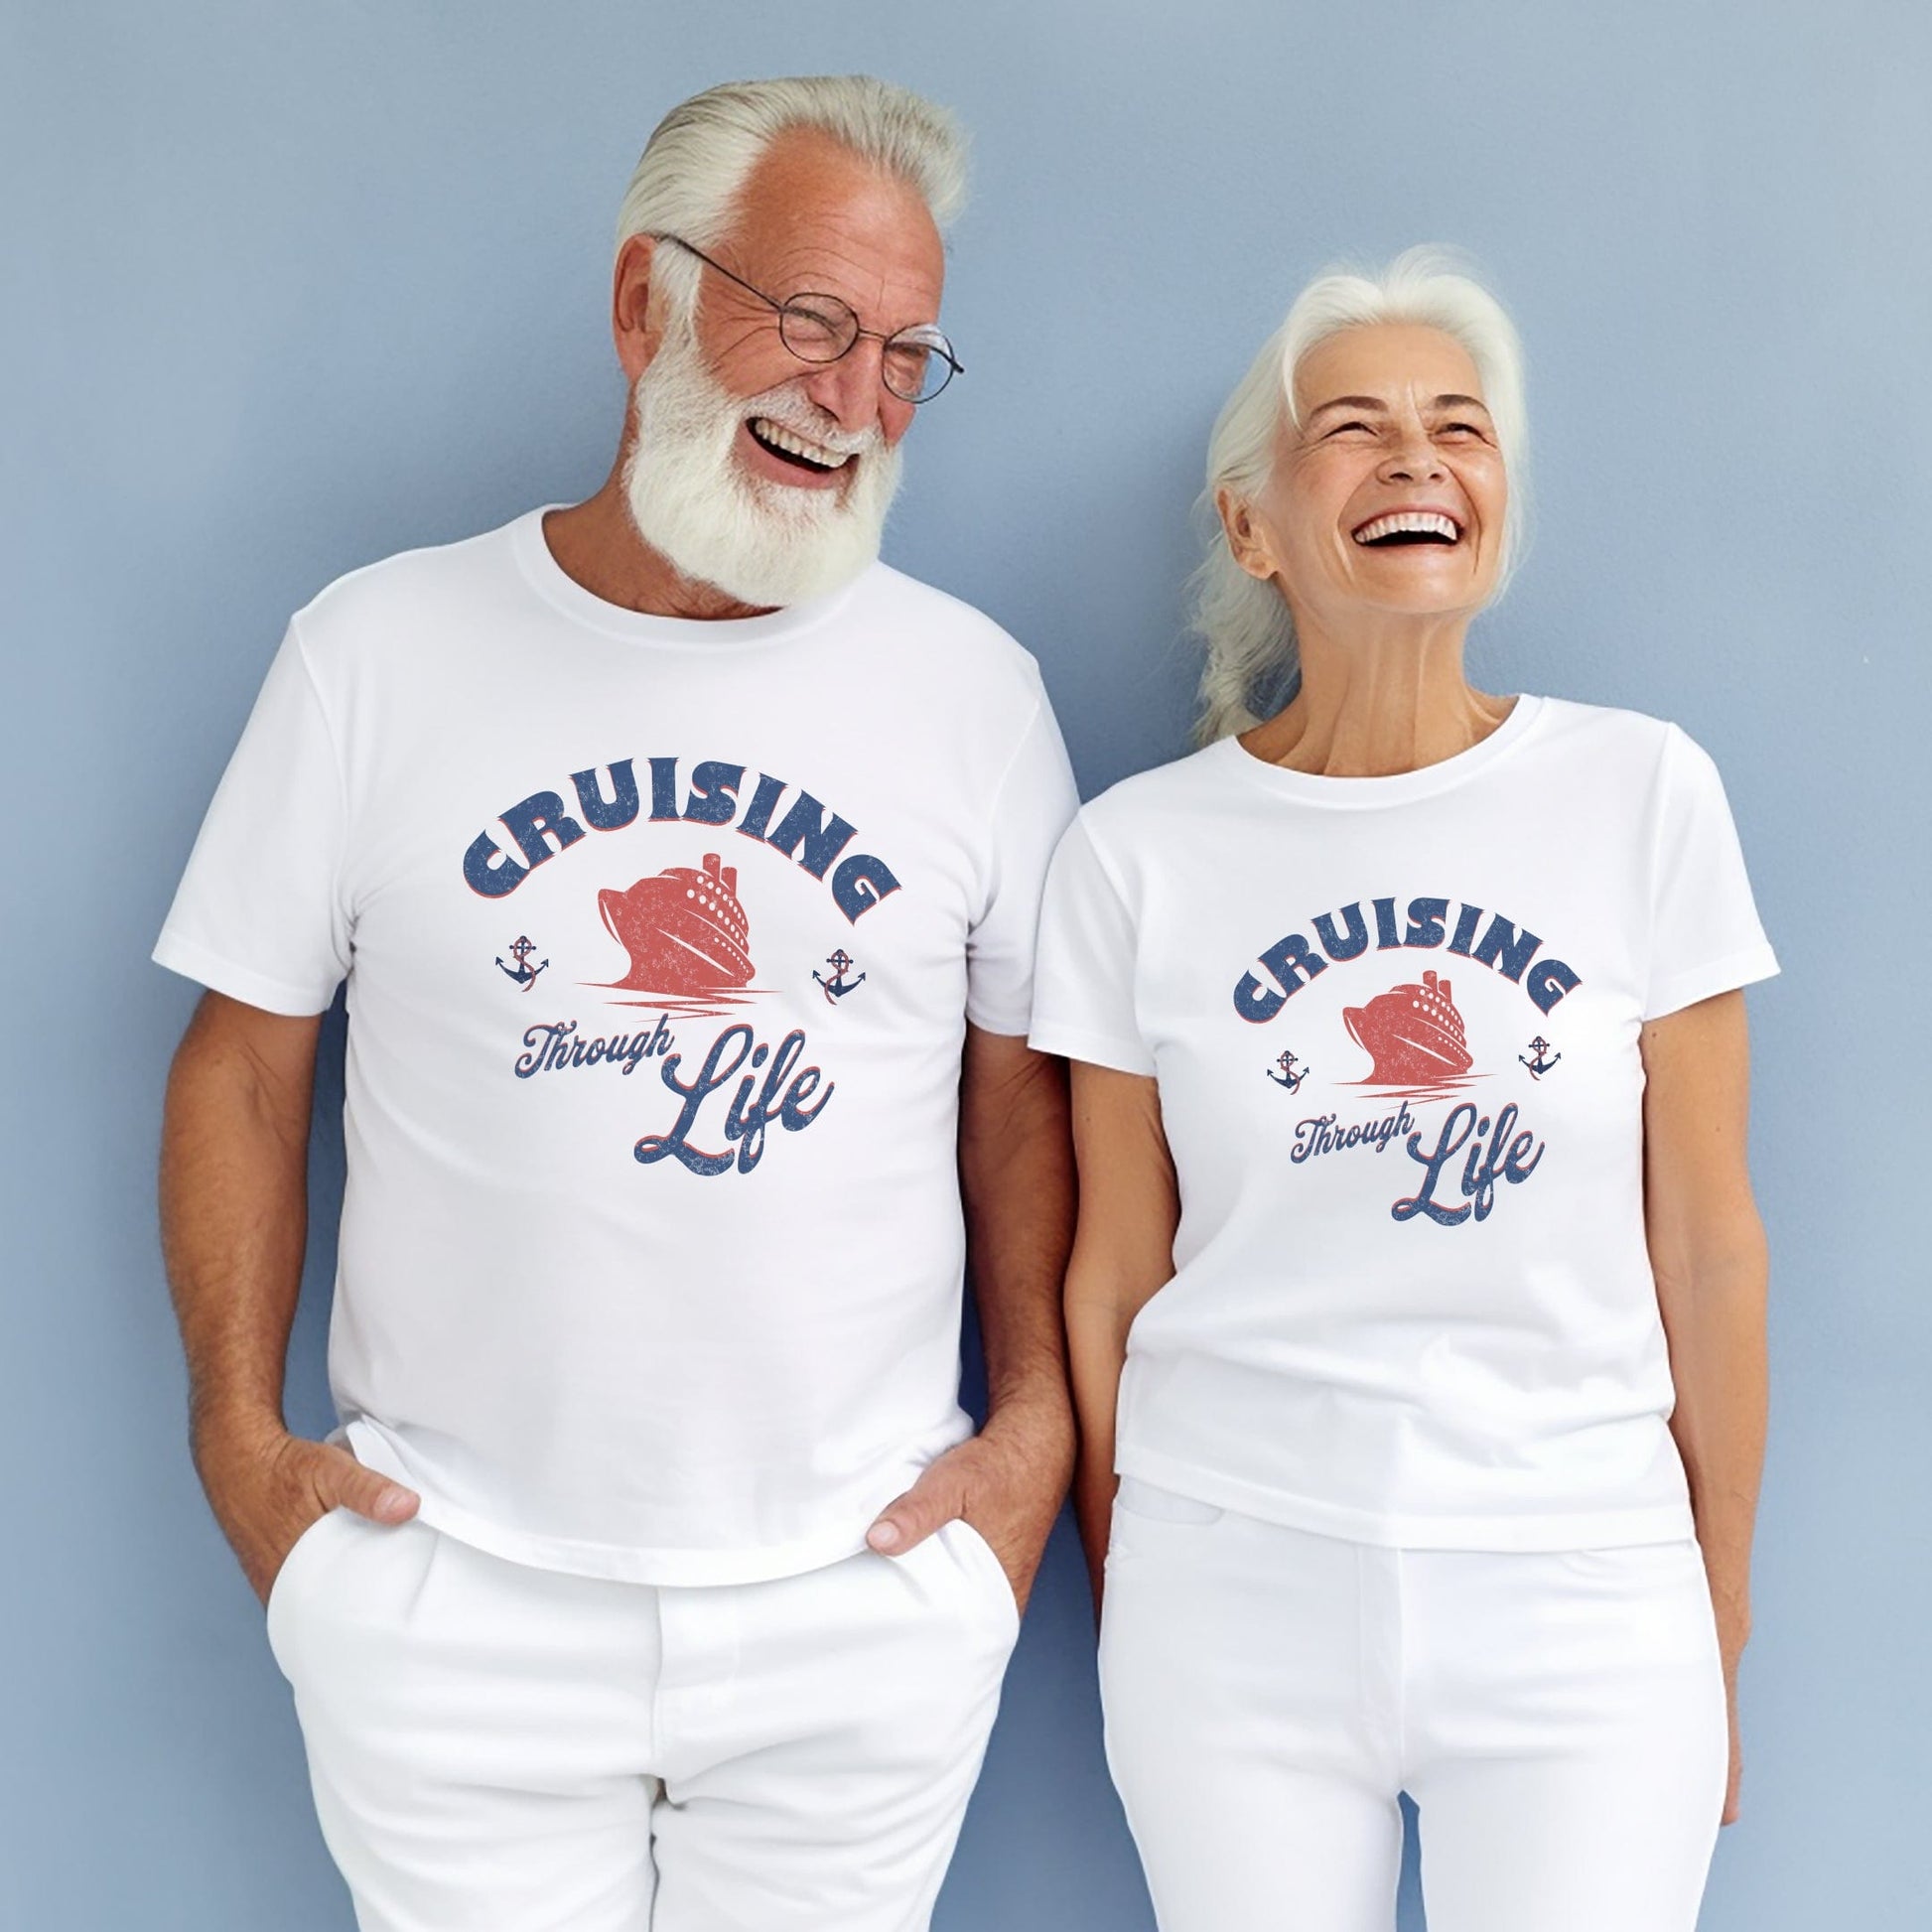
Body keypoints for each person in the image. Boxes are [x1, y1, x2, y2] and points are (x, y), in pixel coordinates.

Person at [155, 74, 1078, 1932]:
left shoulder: (971, 695)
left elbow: (1022, 1103)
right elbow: (246, 1062)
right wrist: (238, 1450)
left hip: (860, 1595)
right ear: (639, 298)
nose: (851, 398)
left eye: (906, 351)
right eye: (808, 319)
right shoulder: (374, 654)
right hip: (448, 1592)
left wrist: (1036, 1433)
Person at [1031, 246, 1776, 1932]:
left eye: (1459, 426)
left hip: (1584, 1581)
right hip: (1229, 1580)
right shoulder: (1132, 855)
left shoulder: (1638, 792)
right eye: (1352, 429)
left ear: (1498, 499)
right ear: (1254, 528)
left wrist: (1715, 1608)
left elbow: (1711, 1248)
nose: (1417, 458)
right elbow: (1110, 1274)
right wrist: (1128, 1578)